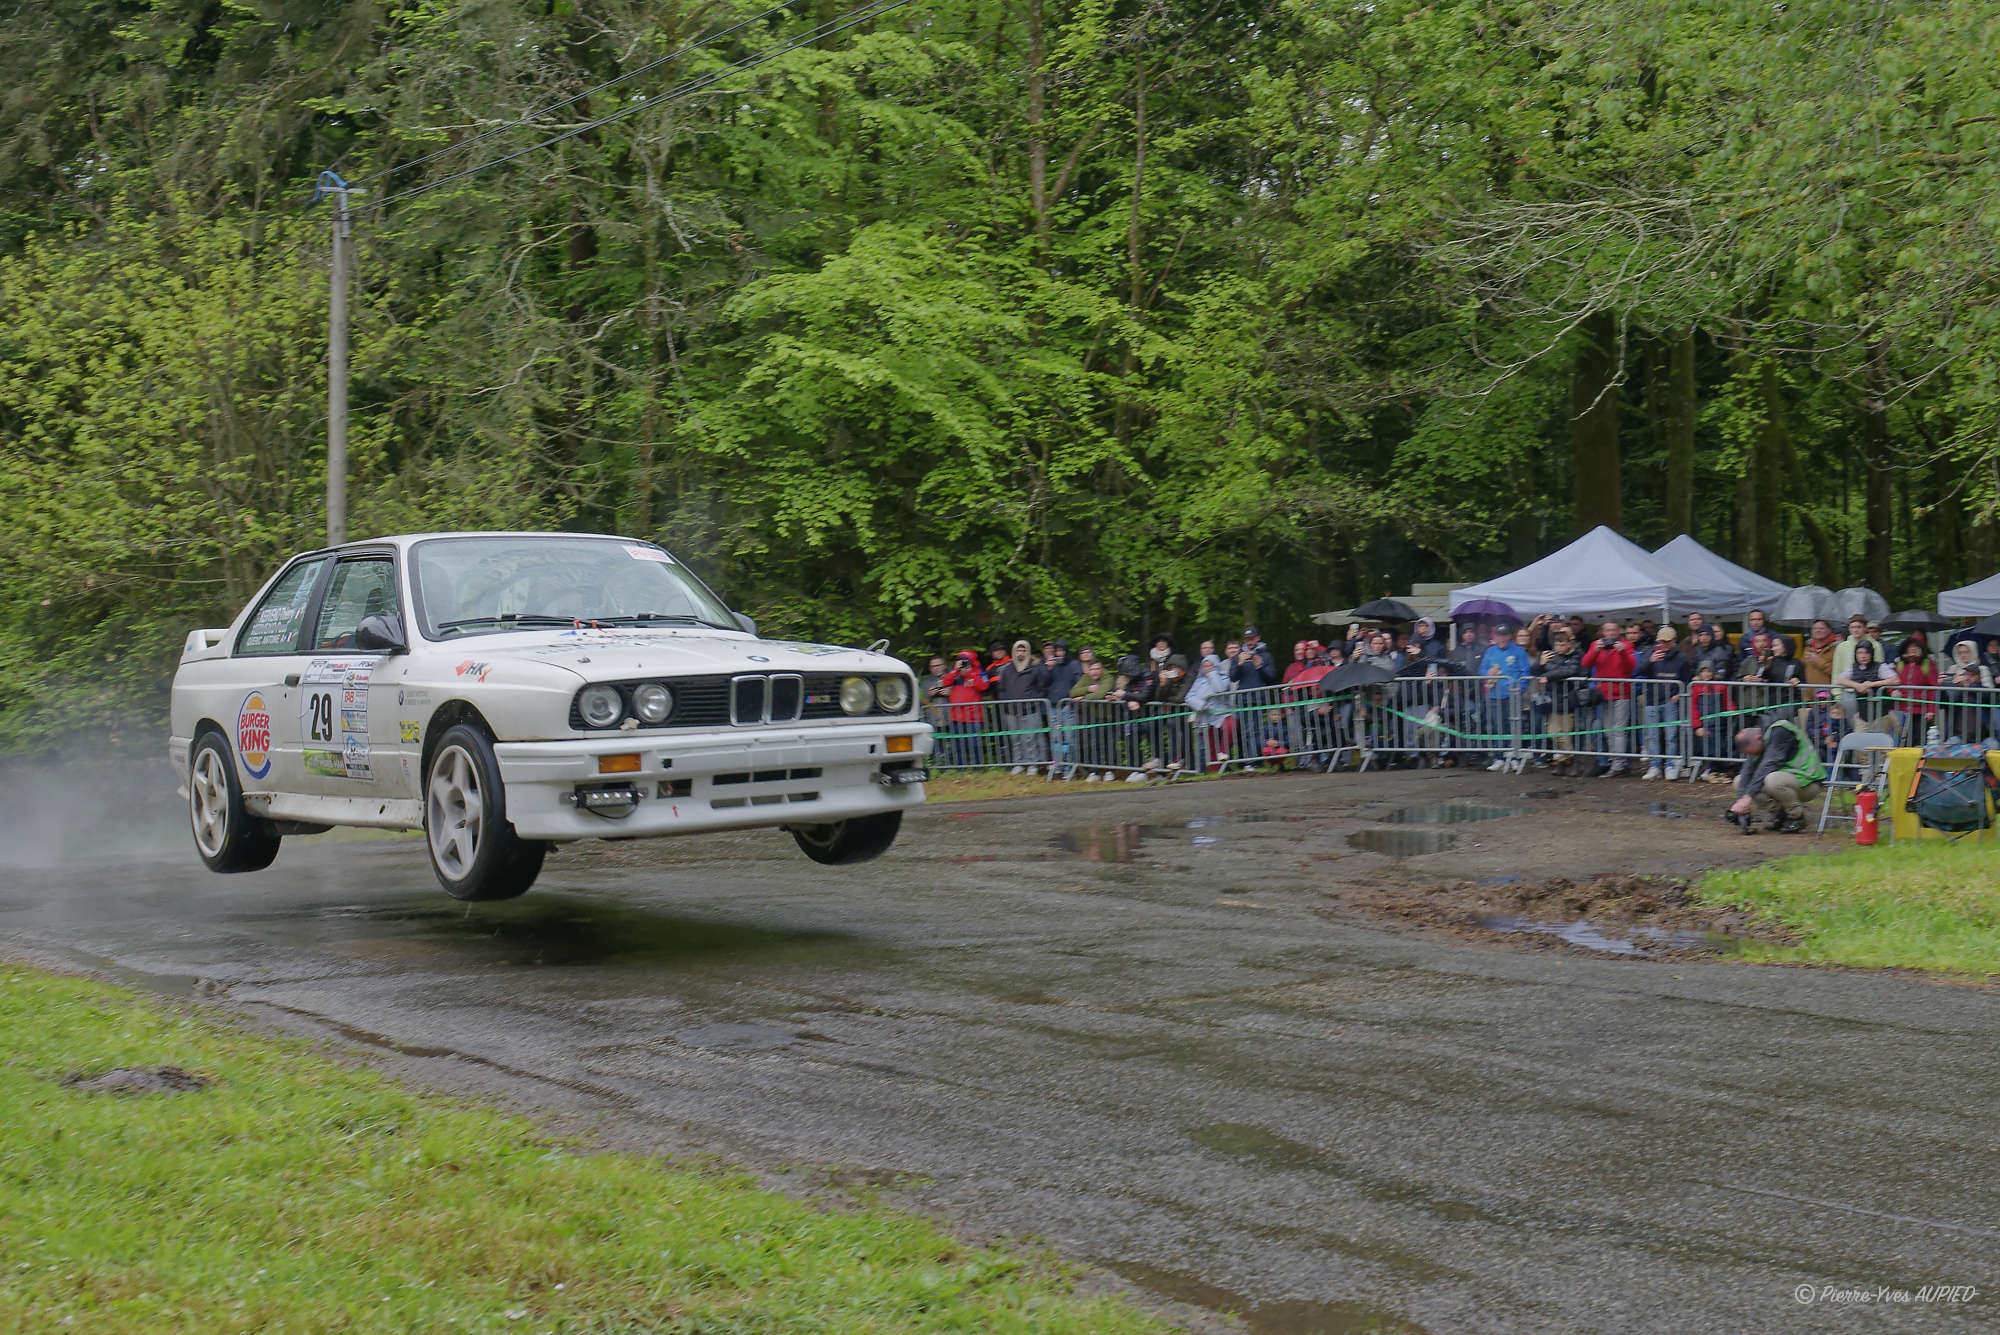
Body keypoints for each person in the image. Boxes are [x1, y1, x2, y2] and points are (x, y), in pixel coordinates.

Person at [1726, 721, 1826, 833]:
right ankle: (1780, 816)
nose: (1753, 756)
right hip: (1789, 781)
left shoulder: (1780, 731)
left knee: (1771, 780)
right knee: (1738, 781)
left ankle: (1796, 817)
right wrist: (1741, 805)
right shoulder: (1756, 741)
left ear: (1759, 738)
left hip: (1809, 783)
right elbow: (1746, 773)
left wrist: (1748, 798)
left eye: (1753, 753)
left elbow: (1768, 764)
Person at [1581, 619, 1637, 776]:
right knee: (1607, 730)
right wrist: (1595, 650)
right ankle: (1615, 761)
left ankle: (1619, 764)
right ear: (1603, 632)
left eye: (1613, 630)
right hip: (1603, 694)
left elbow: (1632, 667)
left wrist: (1623, 652)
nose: (1611, 633)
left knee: (1618, 729)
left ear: (1618, 632)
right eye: (1608, 630)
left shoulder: (1627, 645)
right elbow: (1586, 663)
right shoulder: (1595, 644)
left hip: (1621, 693)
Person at [1634, 625, 1689, 780]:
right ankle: (1654, 765)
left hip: (1670, 700)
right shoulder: (1651, 653)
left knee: (1670, 735)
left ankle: (1670, 765)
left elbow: (1686, 679)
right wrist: (1650, 661)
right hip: (1651, 700)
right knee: (1652, 735)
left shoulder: (1681, 657)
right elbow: (1638, 670)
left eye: (1667, 641)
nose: (1663, 644)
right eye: (1661, 641)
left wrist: (1679, 693)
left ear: (1673, 641)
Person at [1477, 622, 1531, 771]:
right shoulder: (1490, 651)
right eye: (1499, 635)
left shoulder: (1518, 651)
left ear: (1509, 636)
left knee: (1513, 726)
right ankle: (1499, 757)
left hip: (1512, 695)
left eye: (1505, 635)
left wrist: (1520, 689)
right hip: (1494, 695)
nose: (1502, 638)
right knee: (1496, 726)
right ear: (1495, 636)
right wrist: (1487, 674)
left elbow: (1525, 672)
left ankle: (1514, 757)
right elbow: (1482, 669)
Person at [1536, 623, 1585, 774]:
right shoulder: (1549, 655)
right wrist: (1542, 664)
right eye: (1557, 644)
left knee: (1563, 733)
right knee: (1553, 733)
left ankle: (1566, 763)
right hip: (1553, 700)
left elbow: (1570, 670)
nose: (1559, 647)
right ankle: (1568, 760)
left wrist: (1548, 675)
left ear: (1569, 644)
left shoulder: (1576, 655)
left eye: (1563, 644)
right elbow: (1535, 671)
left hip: (1569, 700)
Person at [1834, 640, 1897, 735]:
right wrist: (1857, 685)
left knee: (1879, 744)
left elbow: (1895, 680)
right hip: (1862, 715)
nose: (1863, 656)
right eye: (1859, 652)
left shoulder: (1880, 666)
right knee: (1859, 745)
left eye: (1866, 652)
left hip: (1880, 714)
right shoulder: (1853, 667)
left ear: (1871, 654)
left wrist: (1871, 684)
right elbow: (1839, 680)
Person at [940, 650, 991, 767]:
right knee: (957, 745)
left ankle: (977, 767)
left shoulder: (978, 672)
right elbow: (945, 682)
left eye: (965, 660)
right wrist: (956, 671)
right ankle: (960, 768)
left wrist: (969, 674)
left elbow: (984, 686)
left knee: (974, 744)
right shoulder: (955, 673)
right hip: (956, 716)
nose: (962, 662)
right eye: (959, 660)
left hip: (973, 717)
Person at [1688, 661, 1733, 782]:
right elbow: (1693, 708)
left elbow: (1727, 702)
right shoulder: (1696, 687)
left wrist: (1733, 713)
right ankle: (1712, 771)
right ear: (1699, 673)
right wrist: (1697, 726)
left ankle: (1722, 772)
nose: (1706, 674)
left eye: (1709, 671)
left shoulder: (1721, 686)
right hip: (1706, 725)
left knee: (1722, 748)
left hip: (1721, 724)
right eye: (1703, 671)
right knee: (1710, 749)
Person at [1943, 640, 1993, 744]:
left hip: (1981, 724)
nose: (1963, 655)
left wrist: (1967, 685)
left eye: (1966, 652)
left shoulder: (1982, 669)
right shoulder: (1952, 669)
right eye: (1960, 652)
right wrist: (1942, 685)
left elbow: (1989, 694)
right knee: (1948, 747)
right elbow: (1946, 699)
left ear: (1973, 651)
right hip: (1958, 724)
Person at [1894, 636, 1940, 744]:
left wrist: (1931, 710)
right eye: (1910, 646)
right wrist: (1892, 691)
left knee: (1920, 742)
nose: (1912, 649)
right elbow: (1891, 681)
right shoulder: (1900, 665)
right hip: (1902, 711)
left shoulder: (1928, 664)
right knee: (1902, 742)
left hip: (1922, 711)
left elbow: (1934, 689)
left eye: (1915, 646)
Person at [1830, 615, 1882, 685]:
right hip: (1846, 688)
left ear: (1865, 628)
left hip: (1869, 687)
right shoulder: (1842, 646)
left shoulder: (1875, 645)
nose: (1855, 630)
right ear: (1849, 629)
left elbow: (1879, 668)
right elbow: (1837, 670)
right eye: (1852, 627)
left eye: (1859, 627)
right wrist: (1836, 691)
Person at [1801, 619, 1837, 685]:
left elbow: (1837, 672)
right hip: (1808, 692)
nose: (1818, 631)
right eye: (1815, 628)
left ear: (1829, 630)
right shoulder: (1808, 648)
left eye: (1822, 628)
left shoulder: (1836, 648)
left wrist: (1818, 661)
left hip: (1827, 692)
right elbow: (1801, 670)